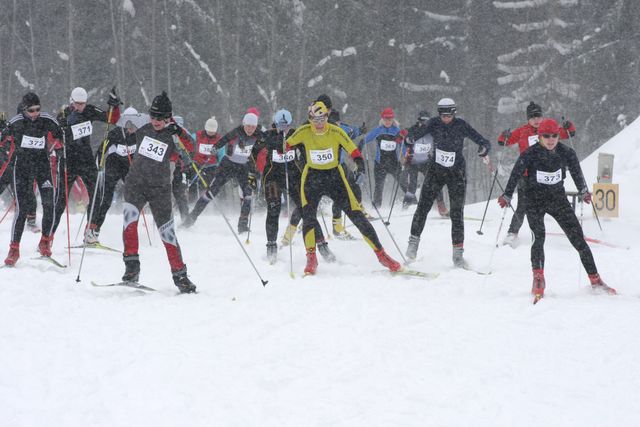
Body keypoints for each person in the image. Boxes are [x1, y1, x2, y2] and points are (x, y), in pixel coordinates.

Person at [497, 118, 615, 301]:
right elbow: (516, 174)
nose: (551, 140)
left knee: (578, 239)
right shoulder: (530, 153)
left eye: (554, 136)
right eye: (546, 136)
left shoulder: (567, 152)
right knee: (539, 238)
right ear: (539, 136)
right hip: (534, 200)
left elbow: (576, 172)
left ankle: (595, 279)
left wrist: (583, 190)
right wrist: (507, 195)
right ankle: (538, 279)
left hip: (557, 200)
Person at [286, 100, 401, 275]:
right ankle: (311, 258)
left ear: (326, 116)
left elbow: (352, 149)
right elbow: (286, 144)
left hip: (334, 177)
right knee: (308, 217)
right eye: (314, 120)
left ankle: (382, 255)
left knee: (356, 214)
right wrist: (282, 141)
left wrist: (359, 164)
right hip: (311, 178)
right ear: (309, 119)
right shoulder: (303, 131)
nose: (318, 124)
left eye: (321, 119)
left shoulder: (335, 131)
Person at [121, 91, 196, 293]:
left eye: (160, 118)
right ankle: (131, 269)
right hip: (135, 185)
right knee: (129, 223)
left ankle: (180, 276)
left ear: (168, 117)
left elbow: (192, 147)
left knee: (167, 233)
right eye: (153, 117)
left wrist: (178, 132)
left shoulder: (173, 135)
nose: (155, 121)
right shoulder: (143, 130)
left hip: (160, 190)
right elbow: (122, 136)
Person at [406, 98, 491, 267]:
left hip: (456, 174)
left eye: (449, 115)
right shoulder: (433, 123)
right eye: (443, 116)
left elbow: (482, 140)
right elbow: (416, 133)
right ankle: (412, 246)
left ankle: (458, 256)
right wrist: (409, 138)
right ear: (439, 114)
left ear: (454, 113)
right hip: (436, 171)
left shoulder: (461, 124)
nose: (446, 119)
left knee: (457, 213)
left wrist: (484, 148)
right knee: (422, 207)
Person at [497, 101, 576, 247]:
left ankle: (572, 230)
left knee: (555, 205)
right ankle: (512, 233)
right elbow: (504, 142)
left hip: (546, 175)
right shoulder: (522, 131)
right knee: (523, 205)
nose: (536, 120)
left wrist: (569, 126)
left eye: (538, 116)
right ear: (528, 119)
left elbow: (568, 133)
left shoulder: (548, 130)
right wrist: (504, 136)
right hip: (526, 175)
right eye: (532, 117)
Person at [262, 109, 335, 264]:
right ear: (275, 124)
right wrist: (252, 174)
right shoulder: (268, 135)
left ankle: (322, 245)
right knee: (274, 208)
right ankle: (271, 246)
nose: (284, 129)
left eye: (287, 126)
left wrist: (309, 169)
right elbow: (256, 153)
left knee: (306, 209)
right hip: (273, 177)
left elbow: (308, 151)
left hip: (294, 176)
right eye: (281, 126)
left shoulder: (297, 134)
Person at [3, 92, 63, 265]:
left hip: (42, 167)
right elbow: (3, 138)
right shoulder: (16, 122)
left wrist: (58, 146)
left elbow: (61, 133)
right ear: (24, 109)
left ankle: (45, 241)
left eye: (38, 109)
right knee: (22, 209)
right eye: (31, 110)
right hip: (21, 167)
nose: (35, 113)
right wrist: (6, 143)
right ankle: (14, 249)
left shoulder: (46, 120)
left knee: (49, 203)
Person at [53, 86, 121, 240]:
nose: (79, 107)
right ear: (71, 101)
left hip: (86, 159)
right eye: (77, 104)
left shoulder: (89, 110)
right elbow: (54, 136)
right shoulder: (64, 114)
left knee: (97, 194)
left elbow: (111, 119)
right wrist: (61, 127)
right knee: (60, 202)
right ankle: (47, 238)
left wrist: (114, 106)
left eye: (82, 104)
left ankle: (90, 231)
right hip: (68, 160)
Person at [183, 111, 264, 232]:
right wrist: (215, 147)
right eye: (248, 126)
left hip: (244, 168)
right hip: (228, 165)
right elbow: (224, 139)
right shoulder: (237, 131)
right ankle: (191, 218)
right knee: (211, 192)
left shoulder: (259, 135)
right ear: (243, 124)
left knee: (248, 194)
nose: (250, 129)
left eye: (253, 127)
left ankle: (242, 225)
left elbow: (269, 143)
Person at [85, 107, 148, 244]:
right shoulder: (115, 133)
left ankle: (132, 228)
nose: (132, 127)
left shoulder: (140, 134)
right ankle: (93, 229)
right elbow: (102, 149)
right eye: (129, 124)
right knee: (105, 199)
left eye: (135, 124)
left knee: (135, 196)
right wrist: (97, 166)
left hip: (128, 166)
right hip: (113, 163)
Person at [327, 109, 369, 239]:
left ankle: (360, 210)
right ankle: (336, 226)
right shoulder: (324, 131)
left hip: (341, 166)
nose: (336, 126)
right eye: (334, 123)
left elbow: (352, 131)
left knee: (354, 186)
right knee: (338, 196)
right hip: (327, 168)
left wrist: (361, 130)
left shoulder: (342, 129)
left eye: (338, 123)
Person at [402, 110, 448, 215]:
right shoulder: (413, 129)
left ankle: (441, 206)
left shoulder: (432, 131)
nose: (424, 124)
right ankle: (405, 207)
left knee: (435, 183)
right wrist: (406, 139)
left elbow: (440, 140)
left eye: (427, 122)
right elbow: (406, 141)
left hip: (426, 162)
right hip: (413, 162)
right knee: (412, 186)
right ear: (419, 120)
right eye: (422, 121)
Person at [363, 108, 406, 208]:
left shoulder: (397, 131)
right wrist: (360, 146)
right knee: (379, 186)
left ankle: (411, 202)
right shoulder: (378, 130)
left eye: (390, 119)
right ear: (382, 119)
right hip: (380, 163)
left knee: (403, 182)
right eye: (386, 119)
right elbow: (366, 139)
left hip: (394, 163)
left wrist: (405, 156)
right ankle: (377, 207)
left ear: (393, 120)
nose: (388, 122)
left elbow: (403, 145)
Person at [188, 116, 224, 202]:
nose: (210, 133)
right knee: (193, 183)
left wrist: (221, 166)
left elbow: (222, 155)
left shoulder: (219, 139)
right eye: (209, 131)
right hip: (196, 164)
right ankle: (191, 202)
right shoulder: (196, 136)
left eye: (212, 132)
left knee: (208, 184)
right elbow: (188, 144)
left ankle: (205, 202)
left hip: (211, 166)